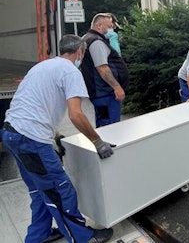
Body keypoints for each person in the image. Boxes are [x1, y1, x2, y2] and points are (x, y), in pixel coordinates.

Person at [2, 34, 115, 243]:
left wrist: (54, 136)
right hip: (31, 139)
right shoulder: (71, 71)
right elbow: (76, 114)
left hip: (11, 132)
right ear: (79, 51)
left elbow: (36, 103)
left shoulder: (42, 66)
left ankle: (39, 235)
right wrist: (97, 142)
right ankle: (83, 238)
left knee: (40, 189)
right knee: (61, 190)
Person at [81, 13, 129, 127]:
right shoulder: (96, 42)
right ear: (99, 25)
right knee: (110, 127)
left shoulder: (87, 38)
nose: (111, 29)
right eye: (109, 26)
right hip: (105, 94)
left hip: (100, 94)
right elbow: (102, 68)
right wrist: (117, 87)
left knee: (103, 123)